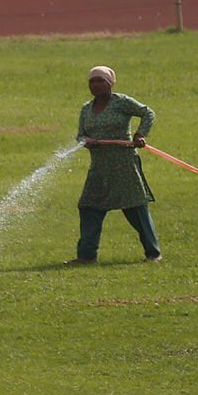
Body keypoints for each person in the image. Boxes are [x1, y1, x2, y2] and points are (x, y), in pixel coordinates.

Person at [68, 65, 161, 264]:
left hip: (123, 166)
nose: (95, 85)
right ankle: (86, 256)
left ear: (110, 83)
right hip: (99, 168)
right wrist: (87, 140)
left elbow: (148, 113)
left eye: (100, 81)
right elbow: (81, 134)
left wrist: (140, 135)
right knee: (89, 207)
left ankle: (153, 253)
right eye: (92, 81)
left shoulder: (121, 103)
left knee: (136, 208)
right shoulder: (86, 109)